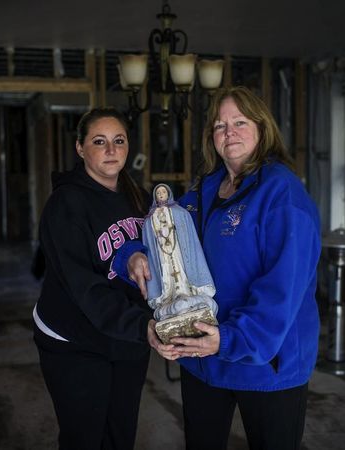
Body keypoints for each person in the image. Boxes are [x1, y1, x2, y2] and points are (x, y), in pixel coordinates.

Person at [116, 86, 321, 450]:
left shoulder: (282, 194)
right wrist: (131, 254)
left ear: (263, 128)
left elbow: (282, 290)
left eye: (240, 122)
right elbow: (167, 236)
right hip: (204, 359)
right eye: (220, 125)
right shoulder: (205, 190)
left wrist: (228, 340)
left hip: (265, 363)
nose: (230, 132)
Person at [33, 108, 154, 450]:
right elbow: (84, 287)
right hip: (75, 339)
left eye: (119, 141)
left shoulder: (139, 198)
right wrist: (141, 326)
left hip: (128, 339)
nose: (111, 150)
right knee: (84, 438)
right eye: (99, 142)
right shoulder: (65, 205)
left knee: (121, 435)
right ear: (80, 148)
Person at [142, 183, 218, 326]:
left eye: (163, 192)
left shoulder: (181, 213)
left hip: (179, 251)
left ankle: (187, 291)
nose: (161, 195)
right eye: (158, 193)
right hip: (162, 255)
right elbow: (149, 244)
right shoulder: (149, 219)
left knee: (182, 270)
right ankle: (170, 297)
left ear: (169, 193)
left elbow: (189, 236)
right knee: (166, 274)